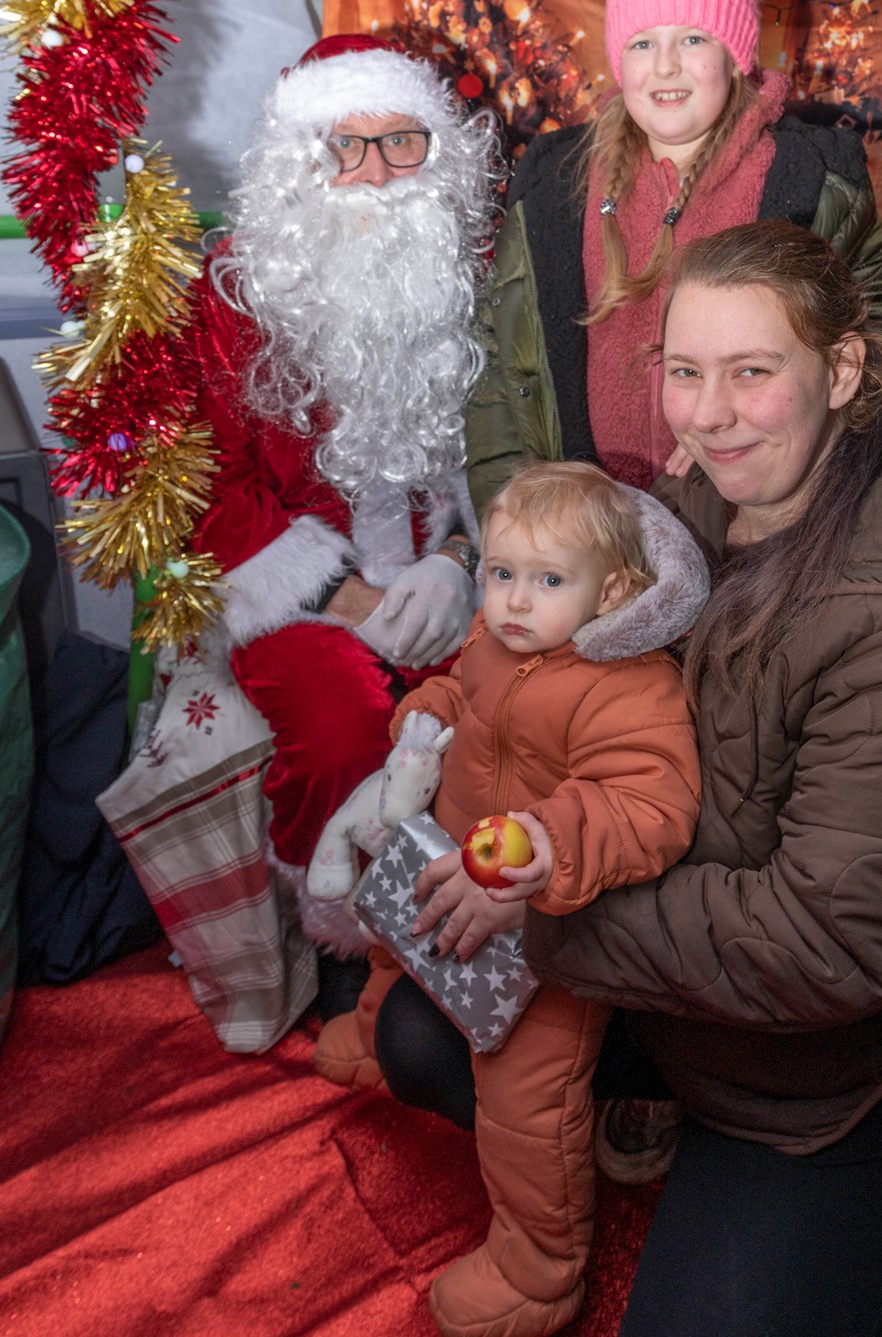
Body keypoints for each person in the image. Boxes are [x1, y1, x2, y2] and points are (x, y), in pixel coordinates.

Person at [514, 220, 882, 1336]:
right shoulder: (709, 506)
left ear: (842, 371)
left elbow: (828, 942)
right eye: (686, 372)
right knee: (433, 1027)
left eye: (753, 373)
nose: (708, 415)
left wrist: (544, 907)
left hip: (857, 1072)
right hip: (716, 973)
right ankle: (667, 1102)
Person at [311, 462, 708, 1337]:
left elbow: (652, 804)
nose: (514, 602)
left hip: (551, 936)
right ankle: (378, 1027)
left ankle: (538, 1267)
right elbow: (462, 687)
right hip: (443, 860)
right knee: (397, 934)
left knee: (529, 1102)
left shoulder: (631, 683)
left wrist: (549, 840)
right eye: (499, 574)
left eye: (547, 580)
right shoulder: (497, 643)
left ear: (612, 591)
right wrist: (423, 712)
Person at [184, 34, 501, 1002]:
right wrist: (342, 591)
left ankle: (485, 935)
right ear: (298, 160)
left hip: (461, 582)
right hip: (293, 594)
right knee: (339, 725)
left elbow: (515, 448)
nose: (372, 173)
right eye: (343, 146)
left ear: (438, 151)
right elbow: (205, 486)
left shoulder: (479, 272)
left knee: (518, 717)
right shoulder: (234, 292)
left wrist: (459, 559)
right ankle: (354, 945)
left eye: (401, 142)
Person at [465, 0, 882, 515]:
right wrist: (516, 512)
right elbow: (500, 365)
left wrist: (780, 449)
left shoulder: (811, 176)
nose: (667, 65)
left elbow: (879, 324)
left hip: (748, 519)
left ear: (736, 57)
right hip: (584, 527)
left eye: (694, 39)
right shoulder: (552, 180)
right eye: (643, 42)